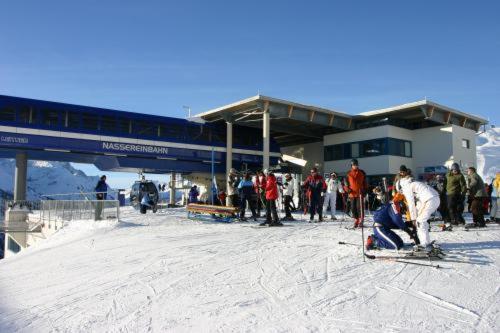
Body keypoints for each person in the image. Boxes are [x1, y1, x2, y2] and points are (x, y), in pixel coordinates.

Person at [398, 172, 440, 252]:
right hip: (434, 198)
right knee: (421, 220)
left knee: (420, 221)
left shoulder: (407, 187)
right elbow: (419, 203)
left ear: (401, 187)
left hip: (429, 200)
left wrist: (413, 219)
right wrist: (416, 216)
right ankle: (426, 242)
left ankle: (425, 244)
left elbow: (411, 204)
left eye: (400, 192)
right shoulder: (414, 184)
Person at [345, 159, 367, 227]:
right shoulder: (348, 173)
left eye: (356, 165)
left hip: (360, 193)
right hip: (352, 193)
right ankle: (356, 220)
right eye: (354, 165)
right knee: (353, 208)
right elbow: (346, 184)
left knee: (359, 207)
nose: (355, 166)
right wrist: (347, 190)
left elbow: (365, 183)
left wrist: (365, 190)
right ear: (351, 165)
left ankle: (361, 220)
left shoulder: (362, 172)